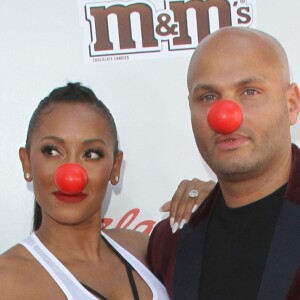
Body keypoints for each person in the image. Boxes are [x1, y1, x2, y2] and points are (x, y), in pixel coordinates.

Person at [0, 82, 213, 299]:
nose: (71, 175)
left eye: (91, 154)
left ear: (115, 167)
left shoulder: (145, 249)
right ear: (26, 163)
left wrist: (220, 203)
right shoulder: (6, 280)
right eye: (53, 151)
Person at [147, 27, 300, 300]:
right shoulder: (170, 242)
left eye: (249, 91)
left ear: (291, 104)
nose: (225, 116)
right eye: (208, 97)